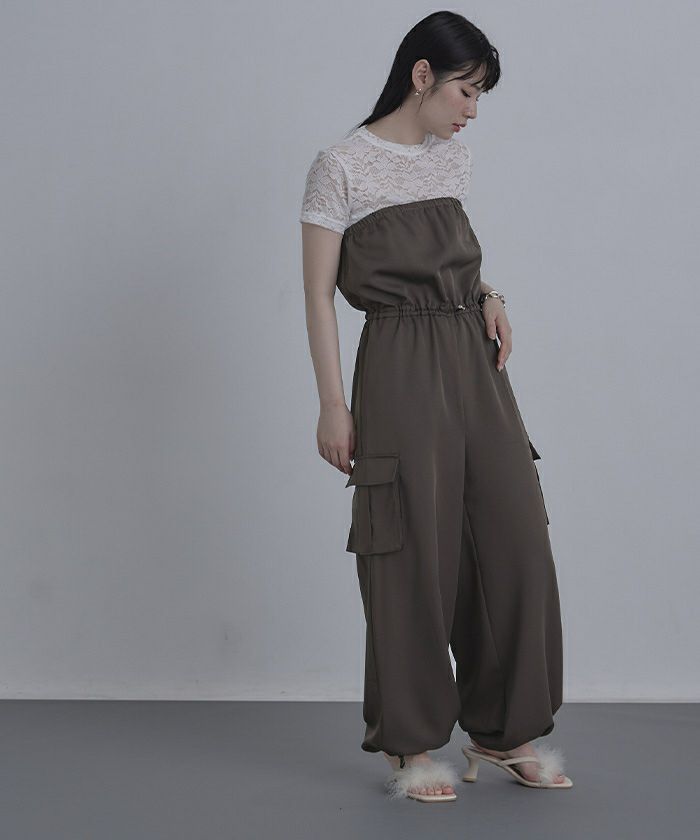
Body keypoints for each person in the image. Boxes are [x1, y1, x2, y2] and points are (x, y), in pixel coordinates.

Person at [299, 11, 572, 802]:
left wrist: (489, 292)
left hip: (474, 365)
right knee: (412, 551)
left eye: (480, 94)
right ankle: (413, 745)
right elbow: (318, 293)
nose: (472, 110)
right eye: (466, 90)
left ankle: (502, 730)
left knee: (513, 537)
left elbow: (453, 260)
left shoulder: (452, 158)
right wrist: (332, 405)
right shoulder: (340, 165)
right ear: (422, 75)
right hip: (397, 365)